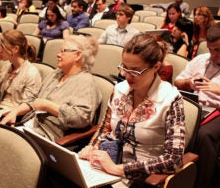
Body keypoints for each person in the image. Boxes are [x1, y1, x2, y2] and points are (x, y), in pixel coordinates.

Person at [78, 33, 185, 187]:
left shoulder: (171, 99)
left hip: (141, 177)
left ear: (156, 67)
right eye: (124, 68)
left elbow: (173, 160)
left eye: (135, 71)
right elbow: (105, 127)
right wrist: (91, 146)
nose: (127, 76)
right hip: (107, 165)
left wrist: (119, 169)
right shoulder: (120, 89)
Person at [0, 35, 102, 141]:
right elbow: (35, 98)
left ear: (77, 55)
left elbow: (82, 117)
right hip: (28, 125)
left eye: (64, 51)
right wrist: (15, 111)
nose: (58, 55)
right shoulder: (56, 73)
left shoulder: (86, 82)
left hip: (48, 137)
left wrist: (47, 106)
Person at [174, 22, 220, 188]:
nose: (213, 54)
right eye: (210, 49)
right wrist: (189, 83)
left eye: (218, 49)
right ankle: (170, 176)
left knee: (204, 135)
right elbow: (177, 81)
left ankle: (199, 184)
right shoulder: (201, 60)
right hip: (196, 107)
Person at [0, 29, 41, 122]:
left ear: (15, 49)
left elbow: (28, 106)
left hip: (15, 117)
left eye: (2, 46)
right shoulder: (6, 68)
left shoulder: (31, 72)